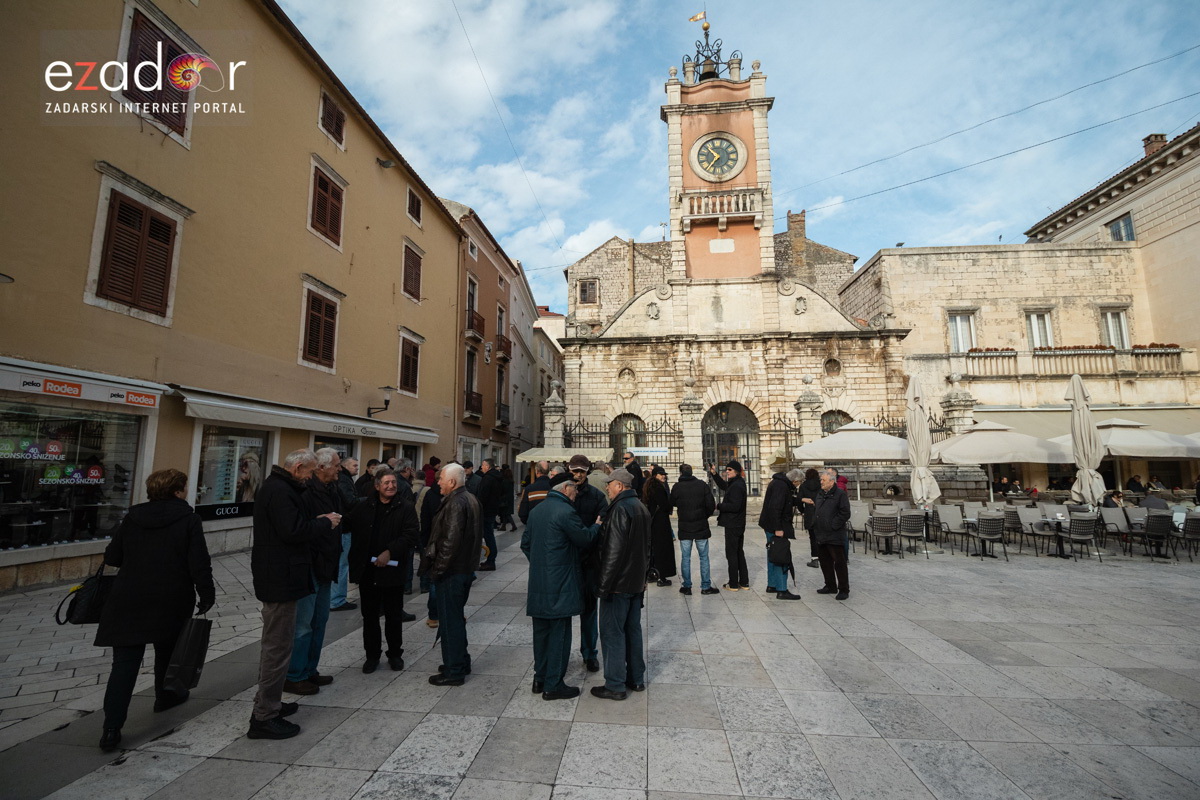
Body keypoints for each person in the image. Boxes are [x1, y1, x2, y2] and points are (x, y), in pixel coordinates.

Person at [95, 469, 215, 752]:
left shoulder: (133, 517)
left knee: (123, 665)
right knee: (168, 652)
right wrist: (206, 594)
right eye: (185, 487)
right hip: (170, 597)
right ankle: (165, 696)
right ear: (177, 491)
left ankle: (111, 728)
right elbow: (199, 562)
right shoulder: (188, 519)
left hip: (128, 598)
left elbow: (113, 557)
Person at [249, 449, 340, 740]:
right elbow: (293, 531)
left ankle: (270, 703)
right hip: (280, 577)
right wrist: (325, 522)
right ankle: (264, 716)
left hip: (282, 575)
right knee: (277, 647)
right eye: (310, 472)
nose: (311, 477)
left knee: (280, 645)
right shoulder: (281, 491)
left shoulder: (280, 487)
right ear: (298, 467)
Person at [522, 471, 599, 700]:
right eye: (574, 489)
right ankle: (553, 685)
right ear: (565, 489)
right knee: (559, 634)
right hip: (562, 583)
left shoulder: (537, 511)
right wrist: (596, 525)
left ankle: (539, 678)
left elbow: (526, 544)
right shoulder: (566, 511)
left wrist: (541, 564)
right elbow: (584, 539)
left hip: (539, 581)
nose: (576, 493)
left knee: (541, 632)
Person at [344, 468, 419, 673]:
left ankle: (395, 654)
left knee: (394, 616)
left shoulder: (406, 507)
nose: (391, 486)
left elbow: (411, 534)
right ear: (377, 485)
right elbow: (347, 523)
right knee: (369, 617)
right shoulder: (364, 506)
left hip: (393, 571)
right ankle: (372, 656)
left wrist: (390, 551)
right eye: (386, 483)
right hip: (368, 571)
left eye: (393, 482)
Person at [284, 448, 343, 695]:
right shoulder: (305, 492)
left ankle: (310, 670)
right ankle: (295, 675)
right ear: (321, 468)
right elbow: (300, 529)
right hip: (311, 566)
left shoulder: (332, 490)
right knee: (303, 625)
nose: (339, 469)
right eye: (336, 465)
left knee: (320, 622)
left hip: (327, 565)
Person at [591, 467, 651, 701]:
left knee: (612, 633)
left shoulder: (619, 509)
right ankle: (636, 679)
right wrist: (643, 579)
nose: (607, 487)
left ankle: (615, 684)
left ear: (620, 485)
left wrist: (603, 586)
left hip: (618, 584)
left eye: (610, 483)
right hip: (635, 583)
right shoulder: (640, 507)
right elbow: (647, 549)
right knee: (632, 631)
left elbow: (613, 552)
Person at [424, 464, 482, 686]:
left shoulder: (456, 502)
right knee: (455, 618)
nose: (437, 482)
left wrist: (438, 571)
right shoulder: (469, 498)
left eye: (441, 479)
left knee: (450, 622)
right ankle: (459, 661)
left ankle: (454, 670)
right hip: (464, 569)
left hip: (453, 571)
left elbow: (450, 542)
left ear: (452, 482)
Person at [569, 454, 607, 673]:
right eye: (574, 471)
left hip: (590, 559)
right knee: (564, 608)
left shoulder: (596, 496)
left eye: (581, 471)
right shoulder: (563, 493)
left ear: (587, 471)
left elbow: (602, 523)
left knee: (590, 609)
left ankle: (589, 652)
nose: (578, 475)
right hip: (568, 560)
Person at [669, 463, 717, 596]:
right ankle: (705, 586)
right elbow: (711, 505)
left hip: (685, 527)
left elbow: (671, 502)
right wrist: (704, 516)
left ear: (680, 473)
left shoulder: (677, 487)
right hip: (701, 526)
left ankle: (687, 586)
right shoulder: (702, 485)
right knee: (704, 557)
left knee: (685, 557)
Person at [758, 466, 799, 599]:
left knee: (773, 554)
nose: (799, 485)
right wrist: (778, 528)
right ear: (795, 481)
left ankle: (772, 585)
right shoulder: (782, 486)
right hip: (776, 526)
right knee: (781, 555)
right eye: (799, 483)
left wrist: (800, 500)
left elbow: (784, 500)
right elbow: (775, 507)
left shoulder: (778, 482)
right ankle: (782, 589)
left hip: (769, 524)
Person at [811, 468, 851, 601]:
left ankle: (843, 589)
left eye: (823, 480)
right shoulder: (820, 493)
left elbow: (845, 512)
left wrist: (833, 524)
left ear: (831, 481)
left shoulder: (840, 494)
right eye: (820, 480)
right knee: (825, 562)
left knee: (839, 562)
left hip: (834, 534)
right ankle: (830, 585)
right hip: (821, 533)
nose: (821, 482)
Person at [709, 460, 748, 591]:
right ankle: (744, 582)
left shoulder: (737, 486)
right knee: (738, 552)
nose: (727, 471)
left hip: (733, 523)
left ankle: (733, 584)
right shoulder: (736, 483)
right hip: (737, 523)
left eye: (730, 469)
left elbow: (735, 506)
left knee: (732, 553)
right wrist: (714, 474)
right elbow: (724, 486)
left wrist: (719, 506)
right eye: (726, 469)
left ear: (736, 471)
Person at [419, 467, 444, 624]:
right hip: (438, 542)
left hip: (432, 542)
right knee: (437, 580)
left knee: (435, 579)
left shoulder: (429, 493)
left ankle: (434, 615)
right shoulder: (444, 495)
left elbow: (424, 518)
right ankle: (435, 614)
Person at [643, 465, 676, 587]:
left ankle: (652, 573)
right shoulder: (659, 488)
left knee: (653, 548)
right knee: (662, 549)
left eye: (664, 474)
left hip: (652, 522)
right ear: (655, 475)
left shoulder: (649, 486)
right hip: (660, 522)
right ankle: (662, 576)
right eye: (661, 474)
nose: (664, 476)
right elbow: (665, 505)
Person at [475, 458, 503, 570]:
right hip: (492, 509)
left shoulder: (488, 479)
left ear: (488, 466)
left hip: (486, 511)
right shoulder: (497, 478)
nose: (481, 467)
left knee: (488, 535)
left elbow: (483, 496)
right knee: (489, 534)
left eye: (483, 465)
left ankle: (491, 560)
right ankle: (490, 559)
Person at [795, 468, 822, 569]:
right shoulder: (821, 484)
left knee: (813, 537)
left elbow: (799, 500)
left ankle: (814, 559)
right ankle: (823, 557)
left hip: (810, 513)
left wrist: (802, 510)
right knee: (822, 535)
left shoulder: (803, 486)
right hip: (821, 512)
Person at [498, 465, 517, 531]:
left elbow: (502, 490)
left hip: (505, 499)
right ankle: (504, 526)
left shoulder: (505, 482)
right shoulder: (511, 481)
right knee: (505, 514)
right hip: (509, 499)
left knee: (507, 514)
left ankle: (513, 525)